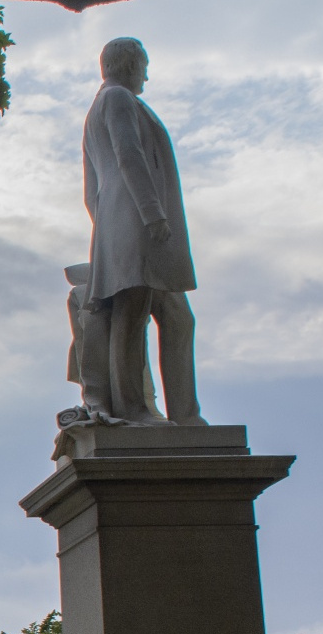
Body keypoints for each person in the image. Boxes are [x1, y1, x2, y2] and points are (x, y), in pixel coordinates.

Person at [81, 37, 203, 426]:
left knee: (178, 316)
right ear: (131, 65)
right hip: (136, 220)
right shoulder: (117, 98)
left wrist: (107, 228)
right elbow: (129, 153)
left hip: (121, 221)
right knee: (132, 312)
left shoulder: (102, 107)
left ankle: (186, 414)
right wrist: (151, 214)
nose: (147, 76)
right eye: (144, 66)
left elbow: (90, 189)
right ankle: (134, 409)